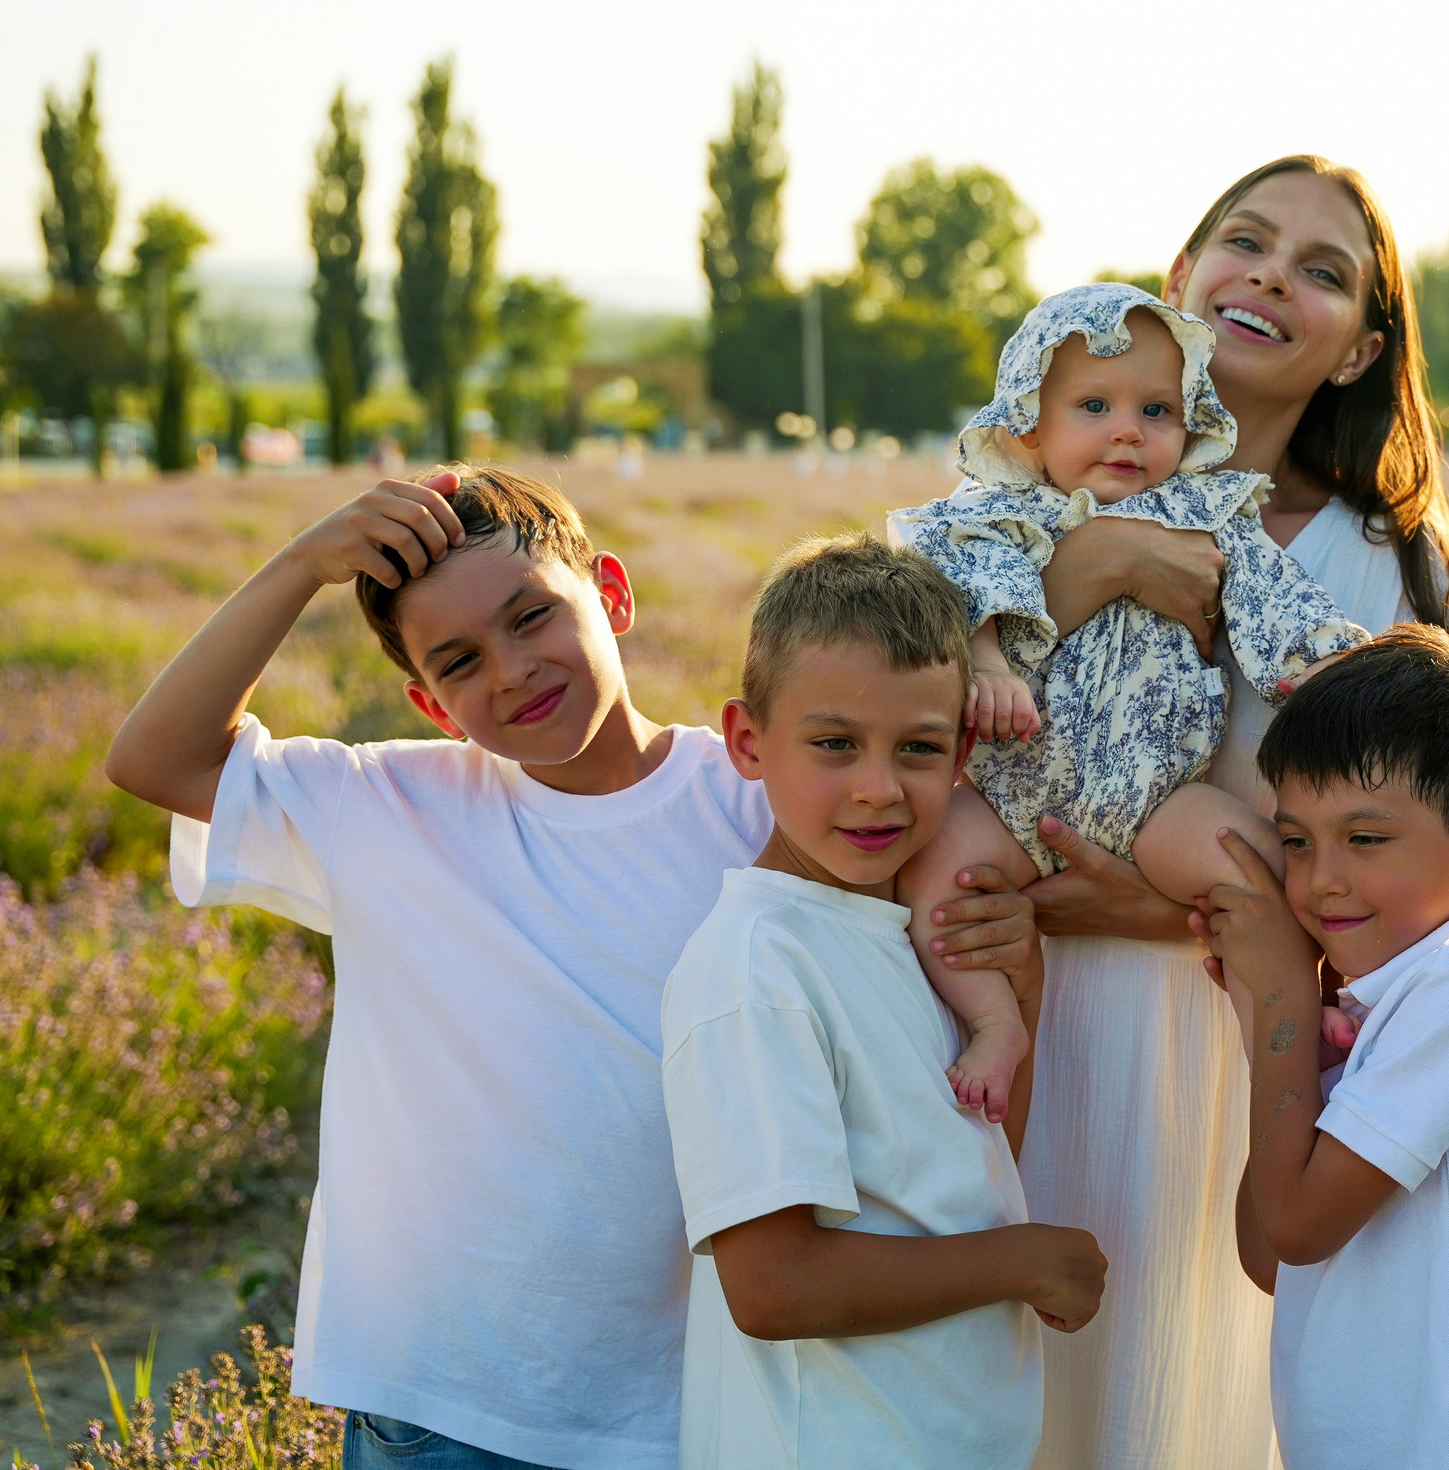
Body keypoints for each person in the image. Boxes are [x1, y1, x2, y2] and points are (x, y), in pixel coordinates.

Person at [103, 467, 1039, 1470]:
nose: (510, 671)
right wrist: (302, 564)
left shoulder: (760, 793)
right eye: (459, 662)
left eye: (531, 617)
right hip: (443, 1401)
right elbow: (155, 759)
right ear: (430, 703)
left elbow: (944, 842)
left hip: (684, 1396)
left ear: (615, 594)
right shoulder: (386, 806)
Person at [1000, 157, 1449, 1470]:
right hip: (1007, 1006)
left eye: (1323, 270)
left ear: (1359, 352)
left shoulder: (1382, 562)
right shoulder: (1022, 495)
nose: (1274, 274)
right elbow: (900, 693)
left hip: (1227, 1042)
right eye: (1246, 239)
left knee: (1169, 1400)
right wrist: (1105, 558)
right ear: (1177, 281)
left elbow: (1419, 864)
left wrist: (1150, 902)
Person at [661, 534, 1107, 1470]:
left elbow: (961, 1174)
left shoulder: (914, 938)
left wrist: (1017, 996)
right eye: (834, 744)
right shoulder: (756, 969)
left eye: (917, 748)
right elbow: (775, 1286)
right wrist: (1025, 1260)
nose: (877, 788)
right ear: (748, 739)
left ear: (963, 751)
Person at [891, 282, 1369, 1122]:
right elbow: (945, 596)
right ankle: (994, 1020)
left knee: (1263, 871)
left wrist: (1332, 669)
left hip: (1160, 796)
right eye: (1094, 405)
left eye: (1156, 408)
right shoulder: (995, 514)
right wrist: (987, 661)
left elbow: (1274, 605)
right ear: (1029, 422)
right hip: (1013, 795)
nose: (1127, 428)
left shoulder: (1206, 515)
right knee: (933, 870)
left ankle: (1295, 1015)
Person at [1197, 627, 1449, 1470]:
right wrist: (1286, 1028)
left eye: (1365, 839)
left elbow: (1292, 1227)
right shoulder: (1382, 1004)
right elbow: (1267, 1254)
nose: (1321, 877)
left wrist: (1285, 1000)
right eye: (1296, 841)